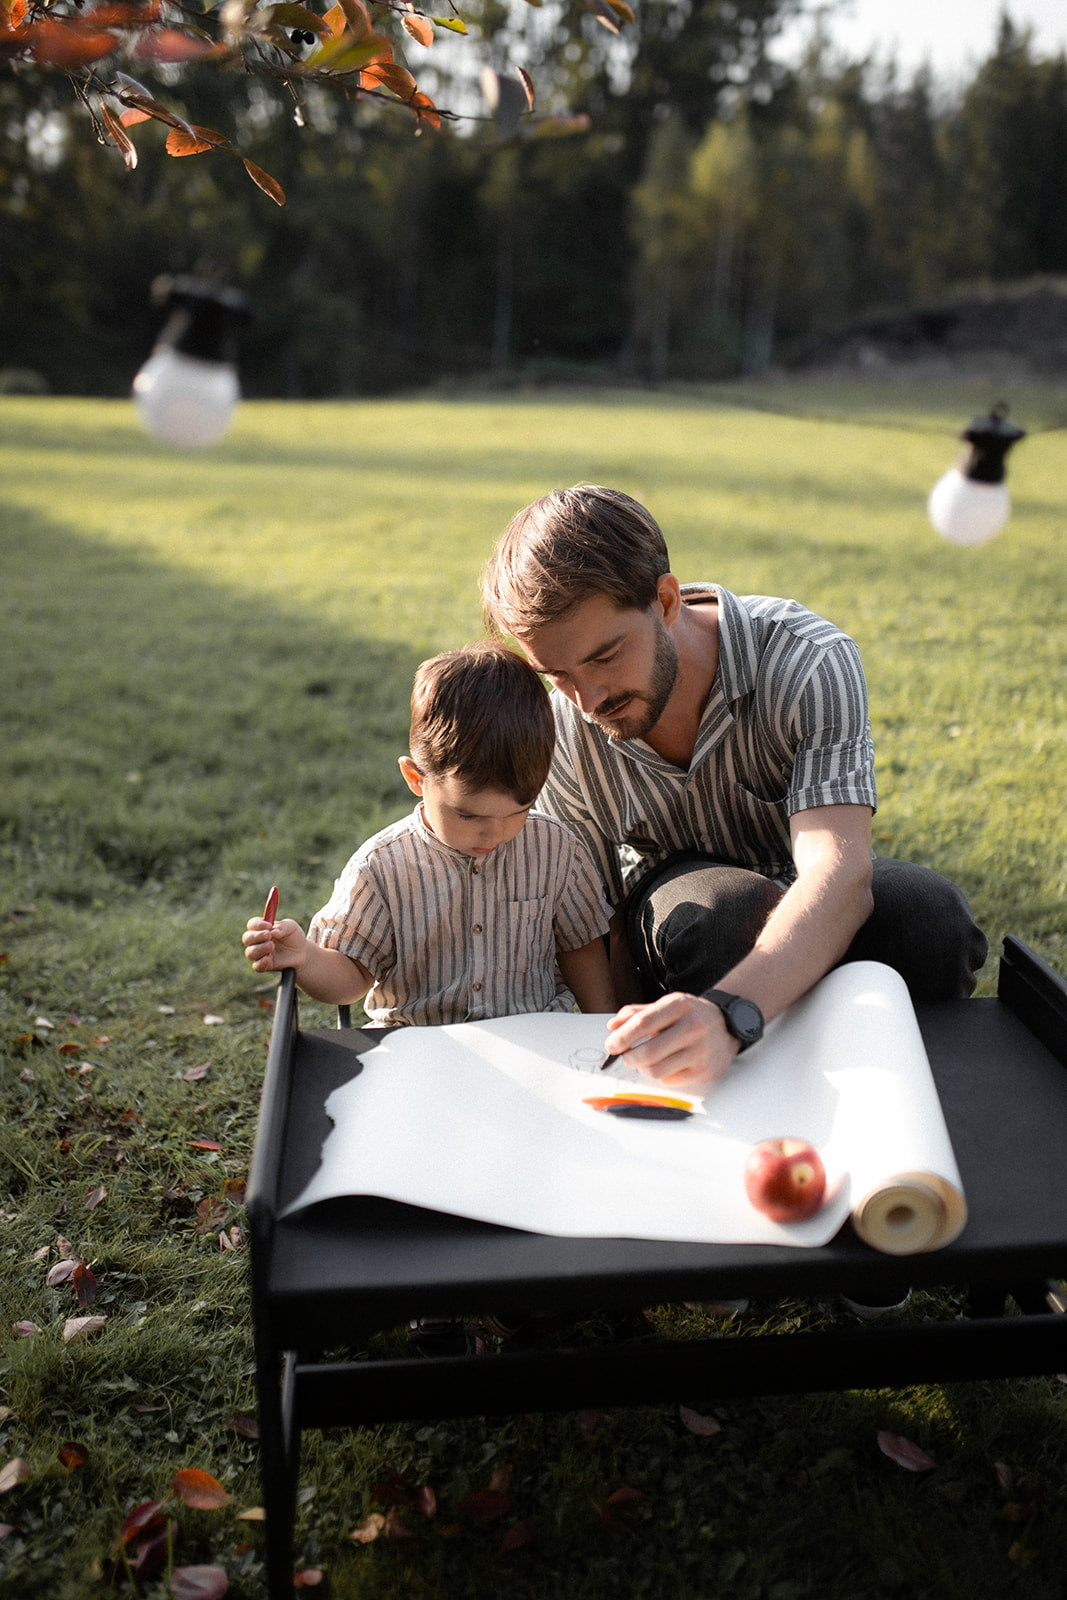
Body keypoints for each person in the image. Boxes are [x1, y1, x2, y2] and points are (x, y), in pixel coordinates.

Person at [482, 484, 988, 1096]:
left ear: (665, 601)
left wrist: (730, 1013)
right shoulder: (564, 726)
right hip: (683, 905)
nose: (588, 701)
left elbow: (840, 872)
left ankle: (900, 1102)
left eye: (606, 656)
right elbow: (598, 918)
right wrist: (616, 1044)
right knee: (721, 918)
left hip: (806, 883)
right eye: (557, 675)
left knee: (932, 920)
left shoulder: (807, 661)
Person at [242, 641, 616, 1024]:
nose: (494, 834)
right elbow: (351, 978)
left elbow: (581, 949)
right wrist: (303, 956)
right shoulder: (381, 868)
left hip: (535, 1039)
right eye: (468, 816)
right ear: (415, 778)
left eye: (517, 813)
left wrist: (601, 1030)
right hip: (418, 1049)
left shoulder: (557, 850)